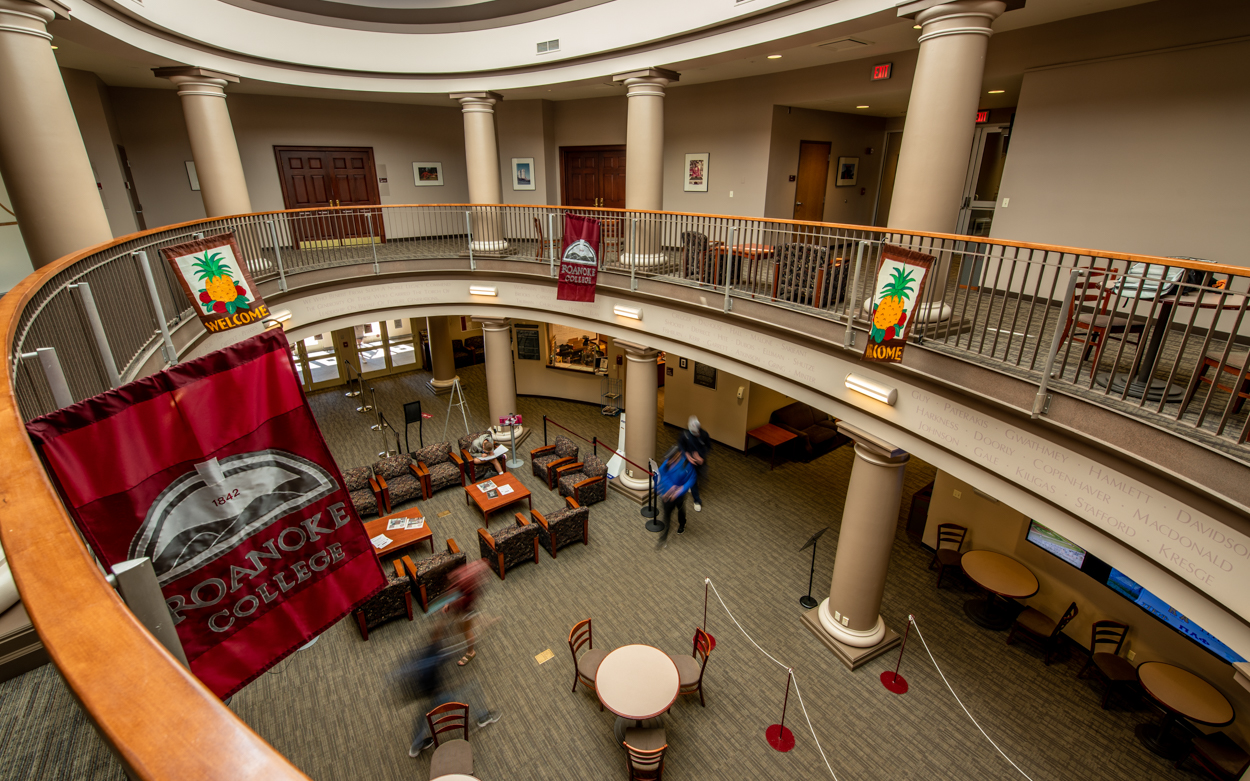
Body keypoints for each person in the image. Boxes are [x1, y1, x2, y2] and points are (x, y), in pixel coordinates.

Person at [405, 610, 502, 757]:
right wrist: (485, 626)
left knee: (422, 715)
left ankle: (415, 746)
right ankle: (483, 717)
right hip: (436, 692)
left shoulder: (427, 651)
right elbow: (456, 649)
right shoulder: (437, 654)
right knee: (470, 691)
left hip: (425, 691)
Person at [446, 559, 487, 667]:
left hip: (468, 610)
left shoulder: (467, 589)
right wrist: (448, 603)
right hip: (462, 608)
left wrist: (451, 604)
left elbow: (462, 601)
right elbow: (453, 589)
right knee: (460, 627)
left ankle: (470, 652)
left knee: (467, 630)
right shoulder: (461, 577)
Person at [655, 447, 697, 548]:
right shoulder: (667, 463)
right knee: (666, 517)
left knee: (681, 510)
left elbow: (692, 478)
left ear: (678, 454)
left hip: (679, 496)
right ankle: (663, 539)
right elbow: (660, 476)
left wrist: (679, 490)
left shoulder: (686, 464)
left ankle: (682, 523)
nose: (671, 460)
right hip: (667, 496)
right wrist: (668, 490)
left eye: (673, 457)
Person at [678, 416, 711, 512]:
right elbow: (680, 445)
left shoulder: (704, 434)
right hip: (690, 461)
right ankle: (697, 501)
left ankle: (691, 485)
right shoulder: (685, 435)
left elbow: (708, 447)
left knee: (700, 477)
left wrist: (701, 457)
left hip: (700, 461)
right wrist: (687, 455)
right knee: (693, 480)